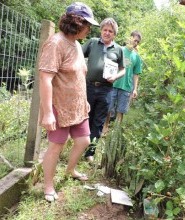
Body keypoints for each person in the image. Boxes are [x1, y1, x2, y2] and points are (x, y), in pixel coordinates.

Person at [39, 2, 99, 202]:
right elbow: (45, 79)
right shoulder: (56, 43)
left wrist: (84, 101)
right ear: (76, 22)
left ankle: (70, 170)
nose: (89, 29)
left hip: (78, 106)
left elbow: (78, 77)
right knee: (57, 146)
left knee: (84, 141)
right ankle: (48, 186)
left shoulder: (77, 45)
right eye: (87, 24)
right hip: (59, 106)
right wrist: (48, 112)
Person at [82, 18, 125, 162]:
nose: (107, 33)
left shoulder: (118, 49)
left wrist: (116, 76)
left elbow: (123, 70)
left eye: (110, 31)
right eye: (105, 30)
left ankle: (90, 153)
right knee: (85, 117)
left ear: (114, 34)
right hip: (88, 86)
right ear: (101, 30)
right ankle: (81, 146)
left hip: (106, 90)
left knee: (98, 121)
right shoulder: (93, 42)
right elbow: (79, 56)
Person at [102, 31, 142, 133]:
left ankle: (116, 131)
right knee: (108, 107)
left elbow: (136, 74)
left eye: (138, 41)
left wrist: (135, 89)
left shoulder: (137, 57)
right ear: (130, 38)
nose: (136, 42)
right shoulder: (119, 50)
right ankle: (105, 128)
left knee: (121, 110)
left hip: (127, 87)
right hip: (114, 83)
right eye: (134, 39)